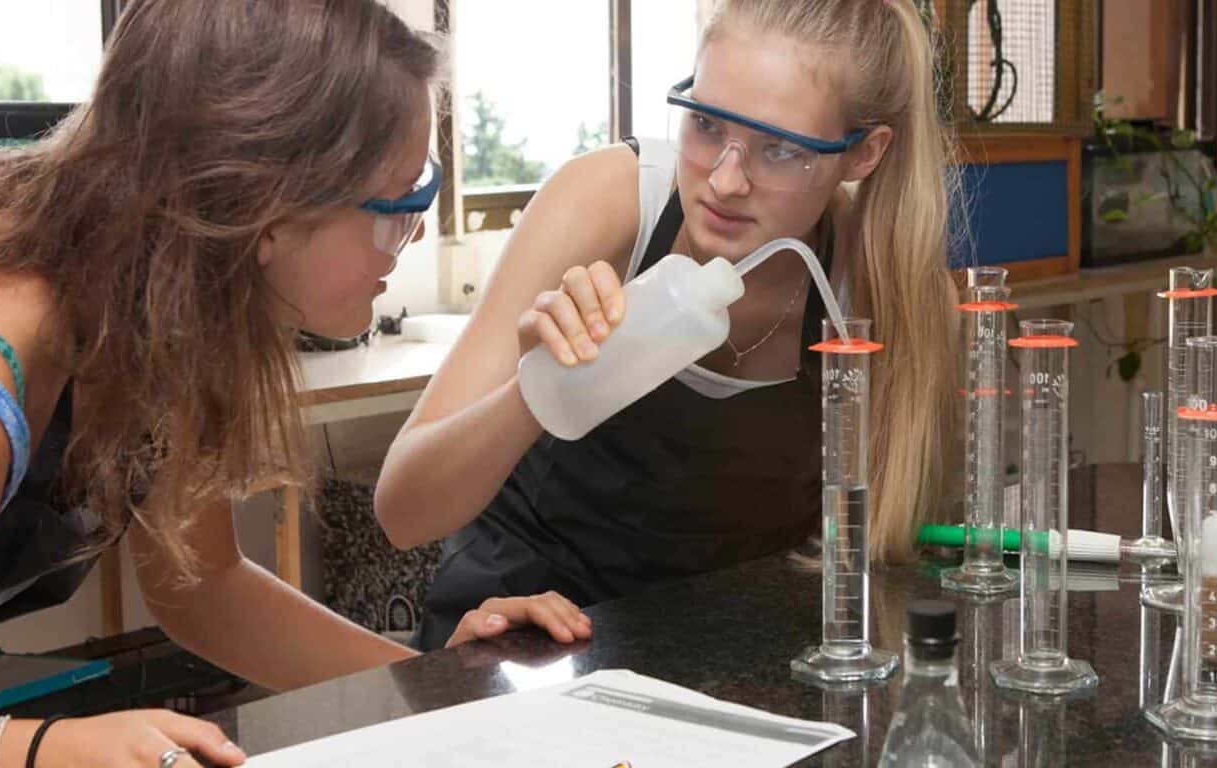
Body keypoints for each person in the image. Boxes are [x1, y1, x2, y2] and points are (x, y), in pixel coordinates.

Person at [0, 1, 588, 765]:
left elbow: (205, 590)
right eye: (398, 209)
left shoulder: (149, 317)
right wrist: (36, 751)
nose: (409, 240)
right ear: (268, 209)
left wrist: (436, 687)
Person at [377, 0, 960, 651]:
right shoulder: (610, 202)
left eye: (780, 149)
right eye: (706, 124)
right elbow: (404, 512)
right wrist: (532, 389)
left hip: (722, 644)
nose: (725, 180)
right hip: (532, 630)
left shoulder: (880, 286)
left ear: (862, 155)